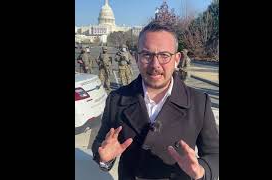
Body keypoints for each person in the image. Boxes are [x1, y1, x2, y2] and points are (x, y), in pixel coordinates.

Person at [91, 21, 219, 180]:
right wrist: (105, 159)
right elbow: (100, 144)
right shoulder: (117, 99)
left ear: (177, 59)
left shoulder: (200, 103)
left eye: (164, 55)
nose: (155, 64)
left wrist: (201, 171)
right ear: (137, 58)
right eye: (147, 55)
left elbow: (214, 154)